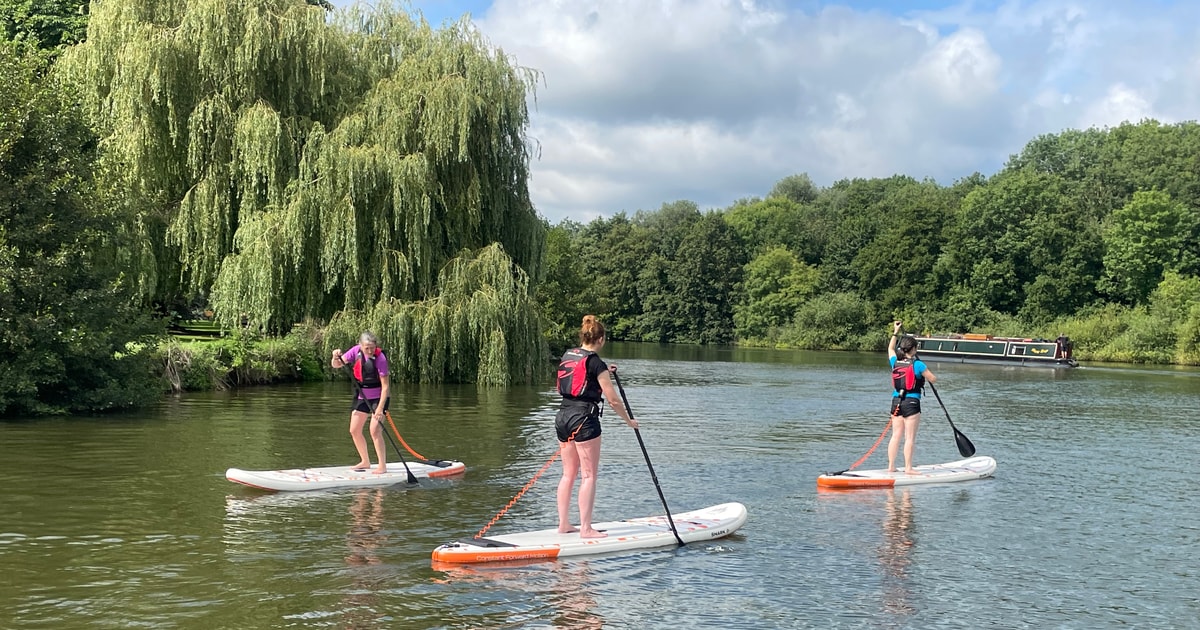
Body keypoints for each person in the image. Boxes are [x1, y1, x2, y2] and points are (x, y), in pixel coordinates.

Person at [554, 315, 638, 539]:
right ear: (600, 339)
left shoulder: (568, 355)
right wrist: (629, 421)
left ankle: (563, 524)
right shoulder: (596, 363)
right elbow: (613, 400)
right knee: (589, 475)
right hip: (584, 420)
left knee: (567, 474)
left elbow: (577, 378)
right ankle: (586, 528)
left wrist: (603, 372)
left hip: (562, 417)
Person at [331, 332, 391, 474]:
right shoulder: (355, 351)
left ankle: (382, 466)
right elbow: (336, 365)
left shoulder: (380, 358)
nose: (370, 351)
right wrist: (334, 356)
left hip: (379, 398)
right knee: (354, 430)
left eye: (372, 348)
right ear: (360, 345)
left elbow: (386, 387)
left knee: (375, 431)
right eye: (366, 348)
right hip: (362, 396)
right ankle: (365, 461)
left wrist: (380, 409)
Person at [888, 321, 936, 474]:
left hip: (896, 401)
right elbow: (933, 379)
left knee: (896, 435)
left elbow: (890, 348)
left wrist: (896, 331)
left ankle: (891, 466)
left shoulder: (895, 362)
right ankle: (908, 468)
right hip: (912, 403)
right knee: (909, 437)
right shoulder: (918, 365)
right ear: (914, 349)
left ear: (902, 349)